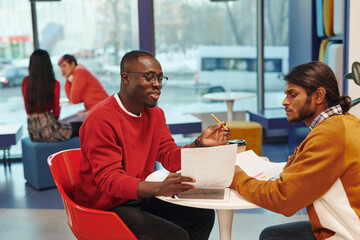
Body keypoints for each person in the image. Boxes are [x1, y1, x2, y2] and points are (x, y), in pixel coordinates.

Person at [74, 50, 231, 240]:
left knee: (202, 216)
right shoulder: (101, 119)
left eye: (159, 78)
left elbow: (169, 158)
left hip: (137, 196)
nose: (157, 84)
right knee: (174, 236)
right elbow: (110, 181)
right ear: (126, 78)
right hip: (104, 206)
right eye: (149, 78)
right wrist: (159, 188)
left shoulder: (155, 115)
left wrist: (199, 143)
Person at [230, 61, 360, 240]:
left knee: (271, 237)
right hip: (345, 226)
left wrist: (237, 178)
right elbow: (295, 172)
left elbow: (284, 199)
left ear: (319, 95)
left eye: (293, 94)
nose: (285, 102)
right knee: (272, 235)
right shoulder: (345, 122)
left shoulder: (330, 134)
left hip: (347, 235)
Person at [22, 49, 73, 142]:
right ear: (47, 64)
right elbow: (56, 113)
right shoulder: (54, 83)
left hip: (33, 132)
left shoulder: (25, 82)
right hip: (50, 131)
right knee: (80, 126)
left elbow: (27, 109)